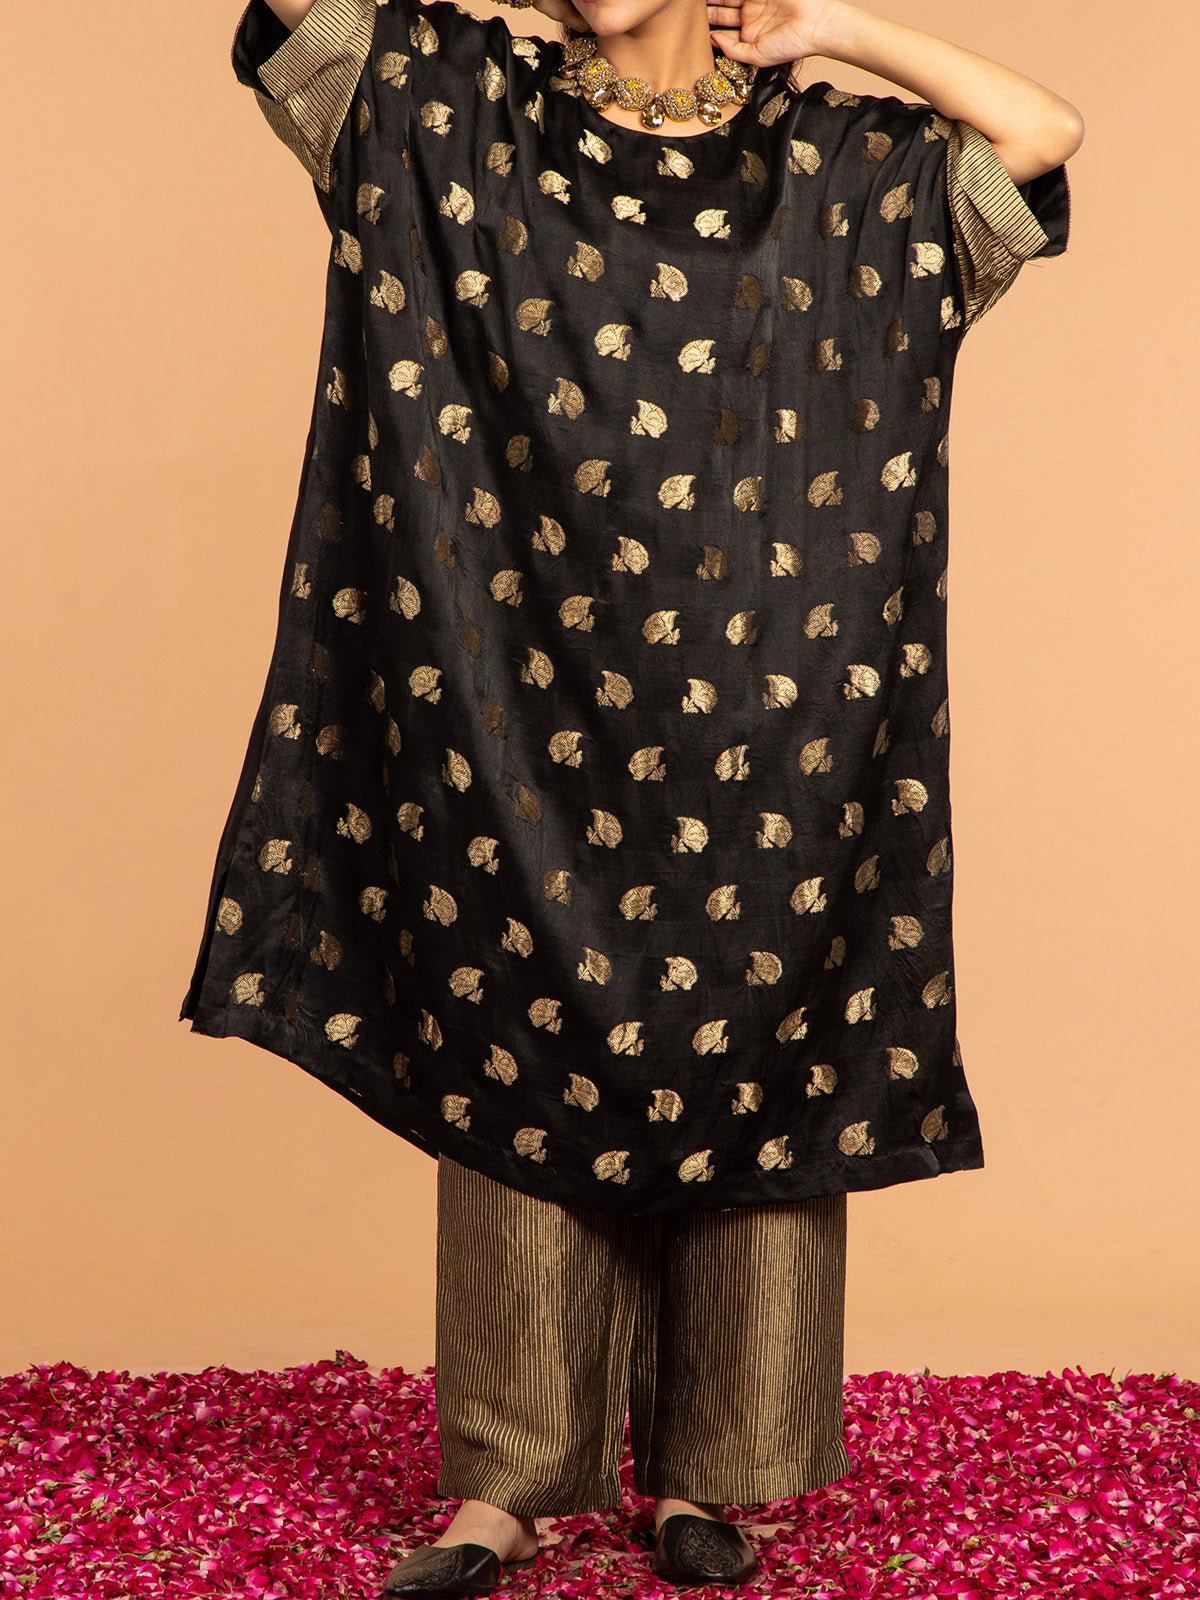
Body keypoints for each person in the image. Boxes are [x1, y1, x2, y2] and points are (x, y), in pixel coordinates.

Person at [182, 0, 1080, 1591]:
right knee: (508, 1006)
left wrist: (836, 26)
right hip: (510, 691)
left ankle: (709, 1475)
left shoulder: (835, 168)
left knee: (774, 1034)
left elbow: (1038, 135)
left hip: (777, 712)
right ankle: (503, 1481)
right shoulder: (452, 110)